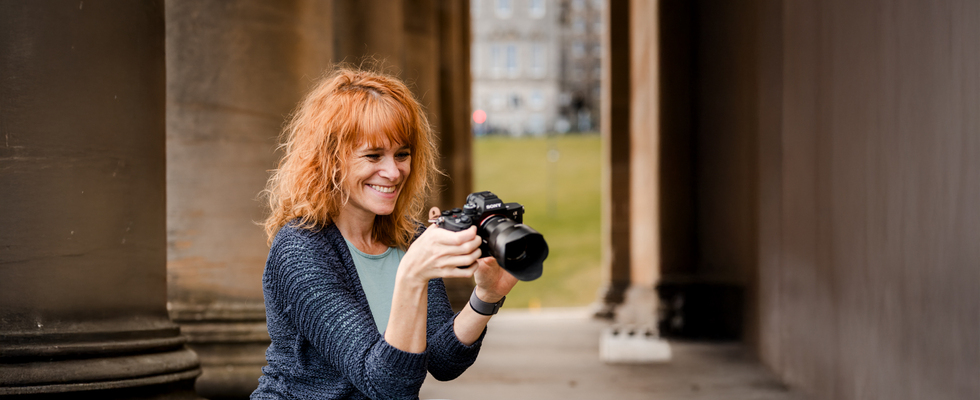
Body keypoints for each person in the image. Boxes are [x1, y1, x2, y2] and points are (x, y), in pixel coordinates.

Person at [251, 68, 519, 400]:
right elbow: (386, 384)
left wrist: (485, 298)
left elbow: (440, 360)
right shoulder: (300, 249)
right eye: (373, 155)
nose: (393, 172)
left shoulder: (410, 238)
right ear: (331, 161)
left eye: (402, 154)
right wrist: (412, 275)